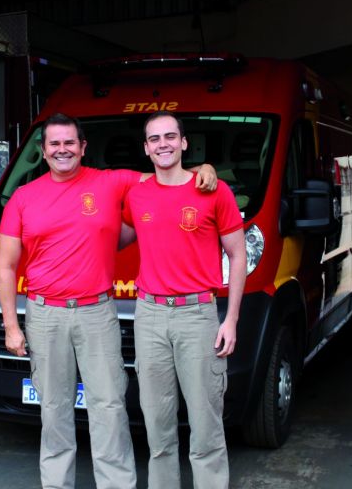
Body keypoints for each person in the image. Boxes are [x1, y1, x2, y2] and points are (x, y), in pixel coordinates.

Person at [0, 112, 217, 489]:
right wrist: (12, 327)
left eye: (70, 143)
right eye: (54, 144)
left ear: (83, 148)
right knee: (53, 411)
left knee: (109, 407)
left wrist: (203, 168)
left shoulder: (111, 181)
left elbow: (166, 172)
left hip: (97, 312)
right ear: (44, 151)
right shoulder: (22, 197)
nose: (62, 149)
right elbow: (6, 267)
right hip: (44, 314)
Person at [122, 111, 247, 489]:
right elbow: (110, 237)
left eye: (170, 137)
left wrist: (231, 320)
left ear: (184, 143)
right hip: (149, 315)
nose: (163, 144)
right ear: (146, 148)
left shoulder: (212, 189)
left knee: (206, 427)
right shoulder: (136, 194)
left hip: (197, 315)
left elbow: (237, 255)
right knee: (158, 429)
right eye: (155, 139)